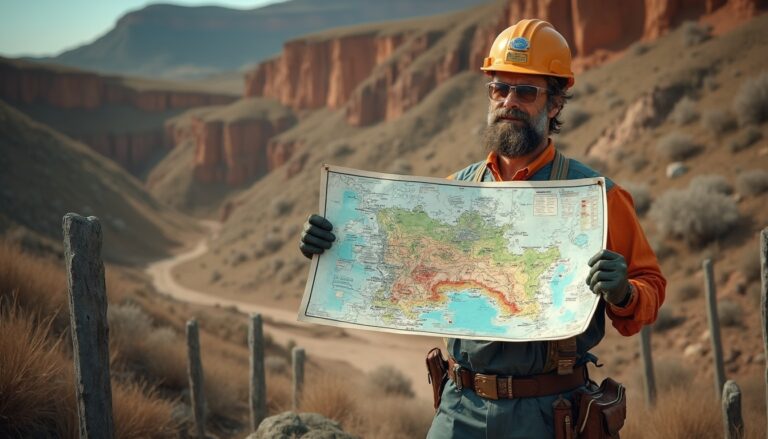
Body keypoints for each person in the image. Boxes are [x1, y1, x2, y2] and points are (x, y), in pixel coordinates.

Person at [299, 19, 665, 438]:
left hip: (551, 413)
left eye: (526, 91)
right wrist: (330, 249)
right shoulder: (457, 191)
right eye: (499, 88)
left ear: (556, 103)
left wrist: (624, 293)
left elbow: (648, 287)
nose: (509, 100)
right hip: (459, 407)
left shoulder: (597, 198)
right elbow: (395, 266)